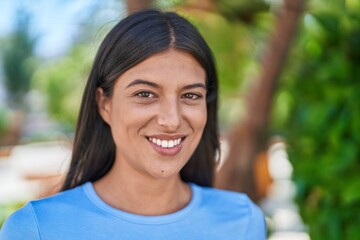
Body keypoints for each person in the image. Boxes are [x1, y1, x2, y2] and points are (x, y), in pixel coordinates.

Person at [0, 9, 266, 239]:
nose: (171, 120)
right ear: (104, 104)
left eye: (190, 95)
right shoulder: (37, 230)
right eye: (145, 94)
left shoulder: (243, 222)